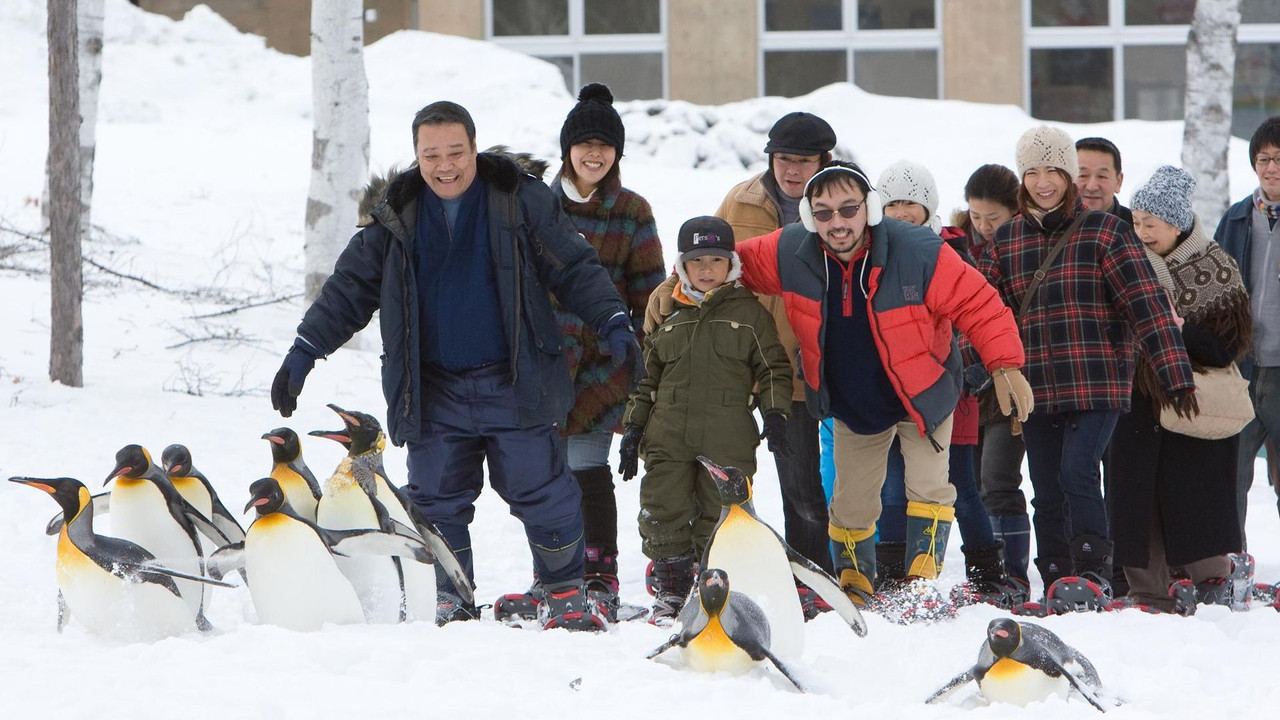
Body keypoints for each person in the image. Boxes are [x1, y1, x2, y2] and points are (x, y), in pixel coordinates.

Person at [269, 100, 641, 631]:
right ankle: (450, 594)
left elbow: (572, 265)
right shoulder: (397, 216)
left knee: (542, 489)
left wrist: (612, 321)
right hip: (433, 386)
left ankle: (563, 591)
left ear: (474, 147)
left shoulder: (518, 200)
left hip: (515, 379)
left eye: (455, 152)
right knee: (436, 498)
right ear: (417, 157)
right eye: (432, 155)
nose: (445, 165)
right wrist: (305, 349)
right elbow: (350, 288)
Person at [733, 160, 1031, 606]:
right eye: (824, 212)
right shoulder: (792, 250)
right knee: (852, 503)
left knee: (930, 487)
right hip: (857, 402)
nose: (837, 222)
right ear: (810, 216)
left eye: (848, 209)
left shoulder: (917, 250)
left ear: (869, 208)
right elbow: (724, 263)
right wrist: (678, 282)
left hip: (924, 393)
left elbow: (979, 303)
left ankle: (921, 583)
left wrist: (1005, 365)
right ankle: (855, 583)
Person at [979, 125, 1196, 612]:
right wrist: (982, 368)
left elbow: (1145, 303)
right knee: (1046, 484)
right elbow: (986, 311)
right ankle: (1056, 574)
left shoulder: (1106, 230)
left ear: (1067, 176)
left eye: (1052, 171)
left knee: (1078, 472)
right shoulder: (1009, 238)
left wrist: (1173, 371)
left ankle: (1095, 570)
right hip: (1036, 385)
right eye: (1031, 172)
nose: (1042, 182)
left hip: (1097, 378)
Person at [492, 84, 665, 623]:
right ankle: (553, 576)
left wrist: (639, 353)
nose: (595, 154)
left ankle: (599, 575)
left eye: (605, 146)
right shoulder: (536, 203)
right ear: (567, 149)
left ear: (616, 154)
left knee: (587, 469)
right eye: (584, 144)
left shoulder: (631, 210)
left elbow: (648, 290)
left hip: (600, 365)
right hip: (541, 363)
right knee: (543, 476)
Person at [618, 216, 794, 622]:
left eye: (716, 259)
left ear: (731, 264)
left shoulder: (749, 315)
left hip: (726, 434)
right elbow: (647, 382)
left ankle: (709, 587)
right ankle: (672, 588)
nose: (707, 269)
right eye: (697, 261)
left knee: (721, 512)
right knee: (663, 507)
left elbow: (773, 369)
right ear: (682, 267)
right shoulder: (670, 318)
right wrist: (633, 428)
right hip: (668, 434)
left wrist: (776, 413)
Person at [872, 160, 1025, 610]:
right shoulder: (871, 254)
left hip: (947, 395)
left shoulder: (949, 253)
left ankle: (987, 573)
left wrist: (973, 369)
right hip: (892, 395)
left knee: (959, 484)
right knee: (892, 487)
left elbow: (976, 315)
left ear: (929, 208)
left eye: (911, 204)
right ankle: (894, 574)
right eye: (892, 204)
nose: (902, 213)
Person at [1109, 165, 1252, 614]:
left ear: (1176, 223)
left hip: (1193, 403)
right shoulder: (1123, 261)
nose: (1141, 232)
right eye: (1136, 222)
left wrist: (1180, 329)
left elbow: (1229, 344)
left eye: (1150, 224)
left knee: (1196, 497)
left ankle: (1214, 579)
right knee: (1135, 499)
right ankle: (1147, 592)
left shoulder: (1216, 267)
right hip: (1135, 399)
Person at [712, 111, 838, 577]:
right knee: (724, 477)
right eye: (783, 159)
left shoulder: (842, 205)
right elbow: (706, 266)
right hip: (739, 364)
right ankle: (728, 571)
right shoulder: (741, 202)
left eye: (803, 161)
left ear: (823, 161)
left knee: (803, 487)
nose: (791, 170)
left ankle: (810, 576)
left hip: (804, 370)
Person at [954, 164, 1031, 585]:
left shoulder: (1020, 245)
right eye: (975, 216)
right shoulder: (956, 244)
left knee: (999, 479)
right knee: (974, 485)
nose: (983, 227)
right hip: (966, 384)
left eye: (993, 218)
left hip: (1008, 380)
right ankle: (987, 574)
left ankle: (1013, 576)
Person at [1218, 115, 1280, 548]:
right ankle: (1230, 565)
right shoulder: (1238, 218)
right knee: (1229, 475)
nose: (1272, 168)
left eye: (1279, 159)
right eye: (1264, 159)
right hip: (1243, 368)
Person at [1075, 137, 1131, 223]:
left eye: (1101, 176)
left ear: (1118, 182)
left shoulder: (1137, 229)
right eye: (1083, 175)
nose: (1091, 187)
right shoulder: (1050, 226)